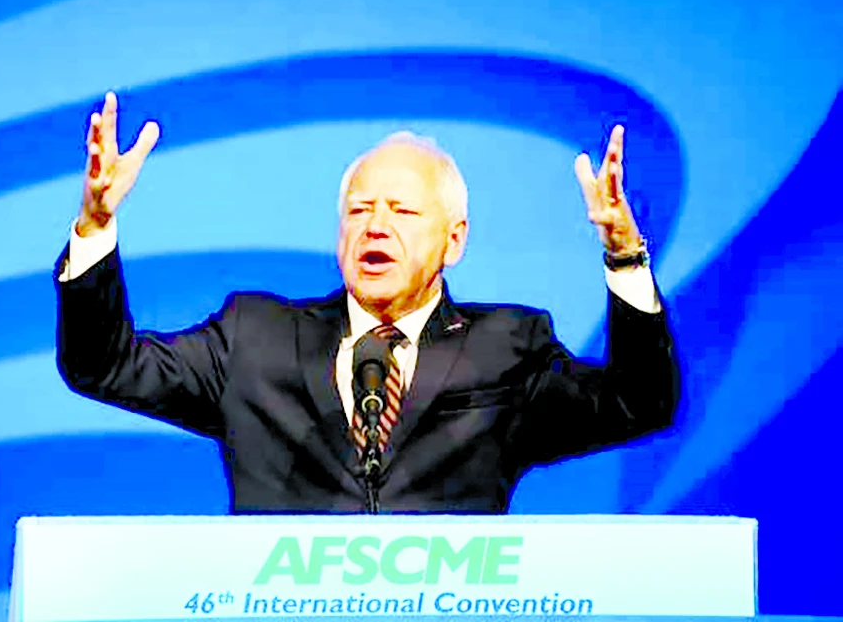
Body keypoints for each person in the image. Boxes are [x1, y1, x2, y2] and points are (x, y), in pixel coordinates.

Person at [54, 92, 679, 514]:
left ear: (453, 240)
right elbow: (104, 366)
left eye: (403, 212)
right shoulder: (254, 337)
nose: (375, 226)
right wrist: (95, 224)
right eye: (358, 211)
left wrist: (625, 254)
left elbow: (638, 403)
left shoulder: (505, 348)